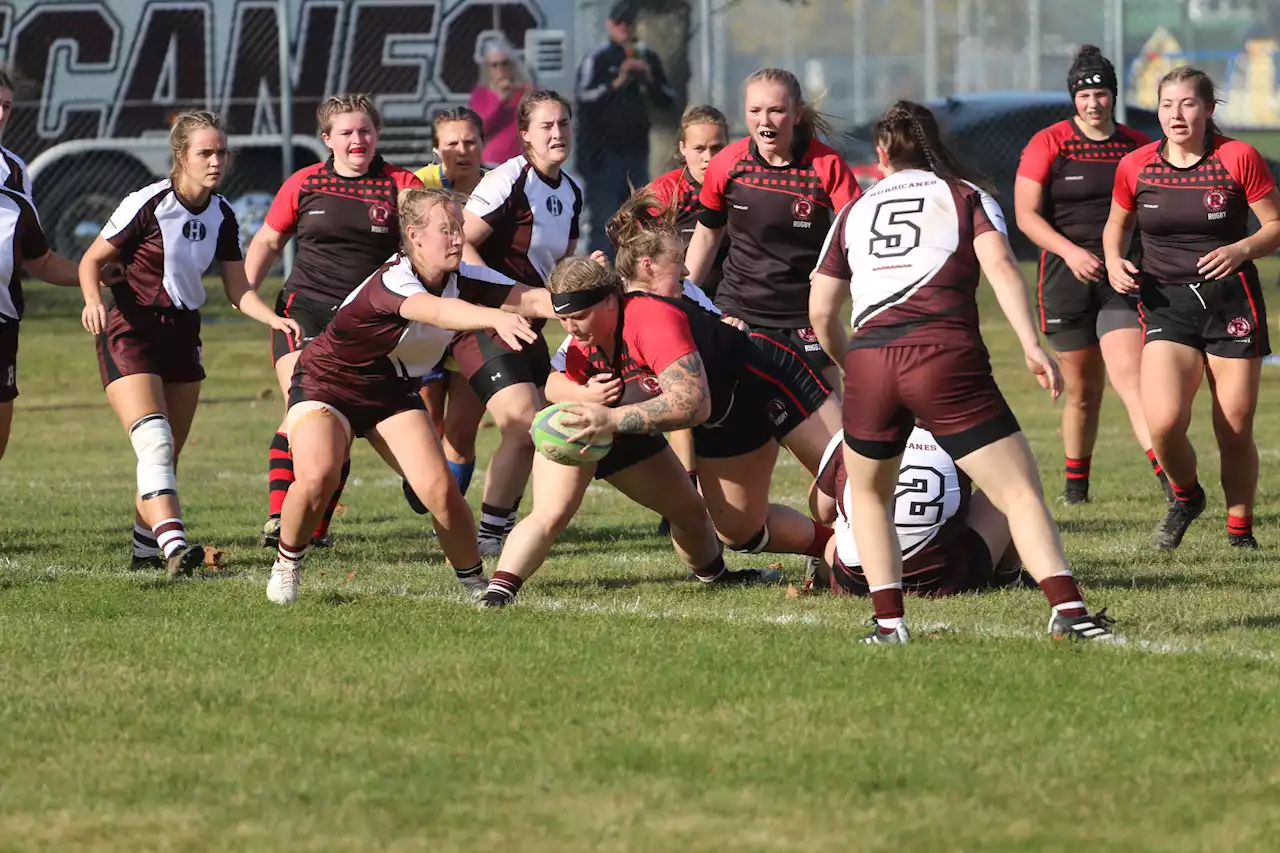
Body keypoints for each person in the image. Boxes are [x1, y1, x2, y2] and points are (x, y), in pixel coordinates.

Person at [809, 100, 1114, 644]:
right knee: (1018, 491)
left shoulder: (855, 209)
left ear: (881, 153)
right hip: (943, 357)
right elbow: (999, 266)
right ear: (937, 144)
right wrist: (1030, 344)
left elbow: (820, 311)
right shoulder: (966, 194)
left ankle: (888, 625)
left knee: (871, 496)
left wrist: (848, 362)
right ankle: (1068, 611)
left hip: (872, 358)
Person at [477, 201, 840, 607]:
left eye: (579, 316)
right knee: (737, 531)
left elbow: (692, 404)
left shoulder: (651, 317)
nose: (571, 329)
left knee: (841, 481)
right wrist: (583, 398)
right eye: (564, 319)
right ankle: (499, 590)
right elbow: (554, 382)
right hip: (703, 417)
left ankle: (871, 551)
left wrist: (610, 417)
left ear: (611, 299)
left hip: (763, 383)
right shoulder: (584, 339)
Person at [267, 188, 555, 604]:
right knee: (319, 476)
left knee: (439, 492)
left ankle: (474, 584)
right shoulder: (393, 279)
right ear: (415, 236)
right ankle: (287, 563)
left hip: (388, 391)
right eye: (446, 229)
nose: (458, 237)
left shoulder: (463, 278)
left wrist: (586, 301)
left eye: (459, 227)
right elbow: (437, 312)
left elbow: (530, 297)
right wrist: (496, 316)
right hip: (327, 383)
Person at [77, 110, 301, 578]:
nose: (217, 160)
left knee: (166, 455)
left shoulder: (222, 213)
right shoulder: (149, 200)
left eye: (222, 152)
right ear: (181, 156)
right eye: (206, 152)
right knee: (154, 443)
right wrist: (93, 300)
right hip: (131, 328)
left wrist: (274, 319)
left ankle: (143, 551)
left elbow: (238, 290)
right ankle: (175, 546)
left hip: (182, 333)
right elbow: (91, 260)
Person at [1103, 67, 1280, 551]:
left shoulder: (1238, 157)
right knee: (1162, 423)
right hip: (1168, 308)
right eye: (1166, 105)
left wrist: (1241, 250)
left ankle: (1240, 532)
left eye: (1187, 104)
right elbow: (1116, 225)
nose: (1176, 115)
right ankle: (1186, 496)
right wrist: (1113, 260)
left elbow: (1275, 225)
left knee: (1235, 426)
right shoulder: (1136, 165)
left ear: (1208, 110)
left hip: (1231, 305)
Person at [245, 94, 421, 551]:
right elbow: (267, 239)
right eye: (346, 132)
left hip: (364, 323)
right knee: (303, 407)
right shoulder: (305, 182)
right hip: (302, 313)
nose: (357, 140)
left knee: (338, 423)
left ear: (376, 135)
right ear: (328, 139)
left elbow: (426, 241)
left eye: (365, 131)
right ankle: (279, 517)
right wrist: (243, 290)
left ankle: (315, 526)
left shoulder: (401, 184)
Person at [1015, 46, 1163, 505]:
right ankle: (1076, 487)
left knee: (1130, 378)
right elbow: (1025, 215)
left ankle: (1173, 482)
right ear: (1073, 99)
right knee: (1082, 391)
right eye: (1085, 95)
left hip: (1121, 275)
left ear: (1114, 96)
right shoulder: (1050, 142)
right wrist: (1071, 252)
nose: (1094, 103)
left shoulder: (1137, 145)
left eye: (1101, 93)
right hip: (1065, 276)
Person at [447, 89, 583, 556]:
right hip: (482, 320)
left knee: (543, 425)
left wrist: (582, 287)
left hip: (528, 325)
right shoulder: (509, 179)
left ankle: (493, 531)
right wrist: (503, 304)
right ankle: (482, 534)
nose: (557, 132)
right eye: (546, 126)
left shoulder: (571, 190)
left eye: (563, 123)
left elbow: (560, 269)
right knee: (524, 421)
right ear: (524, 135)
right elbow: (460, 245)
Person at [685, 68, 860, 391]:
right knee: (743, 428)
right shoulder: (727, 164)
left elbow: (858, 234)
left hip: (805, 315)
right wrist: (683, 294)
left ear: (796, 114)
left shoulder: (826, 165)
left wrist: (836, 276)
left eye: (776, 111)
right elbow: (708, 234)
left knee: (833, 430)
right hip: (739, 311)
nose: (764, 121)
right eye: (755, 111)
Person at [807, 426, 1024, 597]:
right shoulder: (959, 437)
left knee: (839, 531)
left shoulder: (848, 435)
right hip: (943, 579)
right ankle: (1010, 577)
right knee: (1011, 491)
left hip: (859, 582)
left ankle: (821, 577)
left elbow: (821, 511)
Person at [574, 0, 675, 255]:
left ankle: (634, 271)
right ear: (610, 25)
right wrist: (618, 80)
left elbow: (667, 99)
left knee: (639, 217)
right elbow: (584, 98)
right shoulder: (598, 58)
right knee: (604, 220)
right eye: (619, 23)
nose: (624, 28)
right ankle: (601, 272)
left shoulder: (647, 56)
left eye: (629, 23)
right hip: (602, 156)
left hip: (637, 153)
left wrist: (648, 78)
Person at [413, 107, 487, 446]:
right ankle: (428, 495)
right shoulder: (419, 185)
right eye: (452, 143)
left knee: (460, 433)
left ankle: (448, 498)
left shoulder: (499, 187)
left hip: (472, 318)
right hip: (424, 317)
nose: (462, 150)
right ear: (436, 150)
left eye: (470, 142)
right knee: (428, 427)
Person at [468, 37, 531, 167]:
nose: (500, 69)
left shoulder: (526, 91)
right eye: (494, 65)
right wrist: (500, 101)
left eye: (504, 63)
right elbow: (478, 129)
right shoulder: (481, 94)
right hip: (491, 162)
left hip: (523, 161)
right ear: (488, 68)